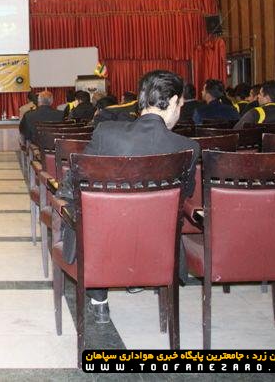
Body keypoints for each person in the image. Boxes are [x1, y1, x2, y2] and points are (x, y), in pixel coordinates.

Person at [67, 69, 201, 324]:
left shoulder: (106, 132)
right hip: (158, 241)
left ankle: (99, 298)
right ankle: (142, 273)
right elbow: (185, 194)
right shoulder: (189, 147)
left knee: (80, 208)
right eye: (181, 104)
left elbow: (79, 180)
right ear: (173, 101)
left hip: (105, 240)